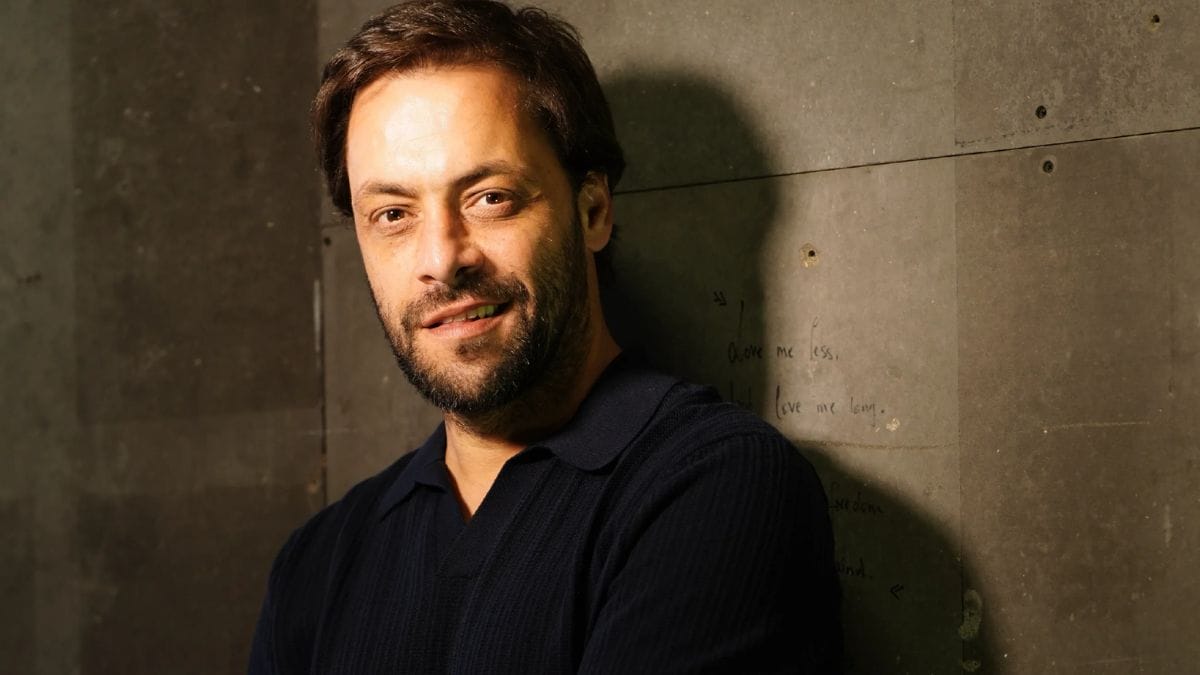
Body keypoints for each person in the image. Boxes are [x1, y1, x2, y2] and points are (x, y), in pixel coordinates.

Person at [249, 1, 841, 672]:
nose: (441, 258)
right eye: (392, 214)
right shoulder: (318, 561)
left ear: (593, 211)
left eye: (490, 197)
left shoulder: (718, 487)